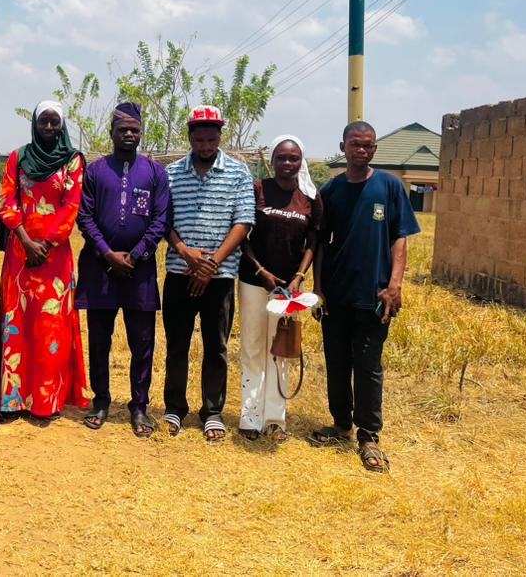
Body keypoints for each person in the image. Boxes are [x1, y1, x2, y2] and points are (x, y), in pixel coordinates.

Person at [310, 121, 419, 473]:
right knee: (337, 362)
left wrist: (395, 284)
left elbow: (399, 238)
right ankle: (341, 423)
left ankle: (369, 435)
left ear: (374, 149)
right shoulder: (331, 191)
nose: (362, 150)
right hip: (336, 294)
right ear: (342, 147)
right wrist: (318, 287)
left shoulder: (389, 186)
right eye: (355, 144)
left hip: (375, 295)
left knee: (368, 366)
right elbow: (319, 244)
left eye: (368, 145)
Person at [75, 103, 169, 438]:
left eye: (134, 130)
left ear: (141, 133)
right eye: (122, 130)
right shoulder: (96, 171)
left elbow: (161, 219)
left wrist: (137, 253)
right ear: (112, 133)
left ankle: (139, 407)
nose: (129, 135)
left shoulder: (155, 172)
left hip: (139, 271)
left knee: (142, 342)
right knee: (99, 340)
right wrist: (107, 253)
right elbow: (84, 216)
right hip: (100, 268)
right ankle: (100, 401)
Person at [163, 105, 255, 441]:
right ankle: (174, 408)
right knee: (177, 344)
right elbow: (163, 223)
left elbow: (244, 222)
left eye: (211, 139)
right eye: (199, 139)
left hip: (220, 277)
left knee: (216, 345)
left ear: (220, 137)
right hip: (178, 272)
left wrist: (211, 263)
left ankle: (212, 411)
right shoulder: (171, 174)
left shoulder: (238, 172)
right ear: (190, 138)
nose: (205, 145)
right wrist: (185, 253)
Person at [0, 100, 88, 422]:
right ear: (34, 124)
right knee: (18, 323)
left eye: (54, 123)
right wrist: (24, 239)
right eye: (43, 122)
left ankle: (46, 401)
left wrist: (46, 244)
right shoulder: (17, 158)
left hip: (54, 255)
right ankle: (14, 398)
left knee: (50, 327)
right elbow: (6, 199)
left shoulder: (73, 161)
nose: (48, 128)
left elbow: (71, 206)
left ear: (62, 125)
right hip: (21, 253)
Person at [237, 135, 322, 443]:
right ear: (271, 161)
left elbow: (314, 241)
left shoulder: (309, 196)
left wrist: (300, 275)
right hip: (253, 281)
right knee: (253, 346)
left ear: (301, 162)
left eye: (294, 158)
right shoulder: (258, 190)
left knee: (281, 350)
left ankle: (275, 418)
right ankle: (250, 416)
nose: (288, 164)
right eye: (282, 158)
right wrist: (260, 271)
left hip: (288, 288)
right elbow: (242, 234)